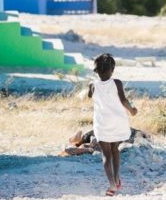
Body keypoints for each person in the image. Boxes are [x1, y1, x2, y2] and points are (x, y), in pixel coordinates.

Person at [88, 53, 137, 196]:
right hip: (117, 121)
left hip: (102, 122)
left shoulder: (92, 85)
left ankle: (112, 184)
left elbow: (90, 96)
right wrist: (132, 110)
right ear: (112, 69)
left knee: (106, 154)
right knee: (115, 149)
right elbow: (123, 100)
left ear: (96, 71)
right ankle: (117, 177)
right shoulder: (117, 83)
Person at [59, 128, 151, 157]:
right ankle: (77, 143)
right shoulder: (138, 134)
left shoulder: (136, 133)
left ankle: (77, 143)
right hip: (107, 135)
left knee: (85, 142)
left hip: (107, 134)